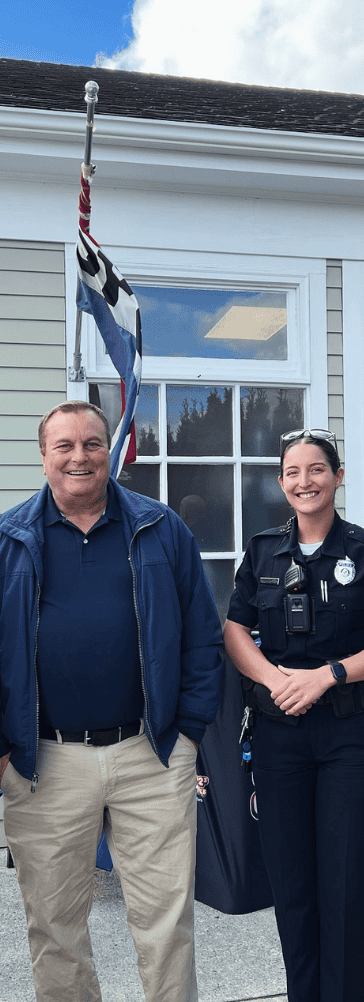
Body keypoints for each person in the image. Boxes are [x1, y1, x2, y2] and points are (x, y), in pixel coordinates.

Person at [0, 400, 223, 1002]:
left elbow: (203, 632)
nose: (80, 456)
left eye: (92, 444)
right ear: (43, 455)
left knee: (166, 926)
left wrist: (189, 736)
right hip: (42, 762)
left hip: (149, 754)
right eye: (65, 445)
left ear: (111, 450)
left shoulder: (160, 528)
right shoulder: (8, 539)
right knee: (54, 927)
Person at [223, 428, 364, 1002]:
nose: (303, 482)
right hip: (280, 737)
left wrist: (328, 675)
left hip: (351, 736)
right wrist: (272, 677)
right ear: (280, 482)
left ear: (337, 476)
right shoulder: (261, 550)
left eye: (315, 470)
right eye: (292, 472)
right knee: (292, 887)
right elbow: (234, 629)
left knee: (347, 885)